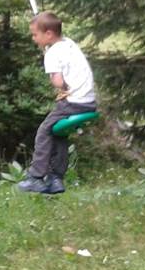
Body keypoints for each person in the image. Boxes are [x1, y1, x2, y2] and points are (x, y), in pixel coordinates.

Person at [18, 12, 97, 195]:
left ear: (48, 35)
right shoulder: (69, 44)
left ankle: (36, 177)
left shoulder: (52, 53)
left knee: (44, 131)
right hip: (88, 102)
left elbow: (59, 82)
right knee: (59, 133)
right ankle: (56, 180)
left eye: (35, 34)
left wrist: (57, 81)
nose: (33, 38)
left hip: (73, 104)